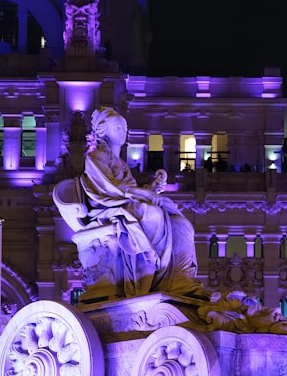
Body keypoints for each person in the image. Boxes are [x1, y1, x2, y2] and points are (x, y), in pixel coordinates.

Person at [80, 107, 205, 298]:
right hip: (108, 207)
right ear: (103, 131)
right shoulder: (95, 157)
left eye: (125, 128)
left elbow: (131, 190)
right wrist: (145, 195)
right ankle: (150, 269)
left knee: (182, 224)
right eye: (118, 128)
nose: (124, 132)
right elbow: (110, 187)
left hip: (126, 205)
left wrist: (152, 189)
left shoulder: (121, 163)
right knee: (152, 214)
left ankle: (178, 279)